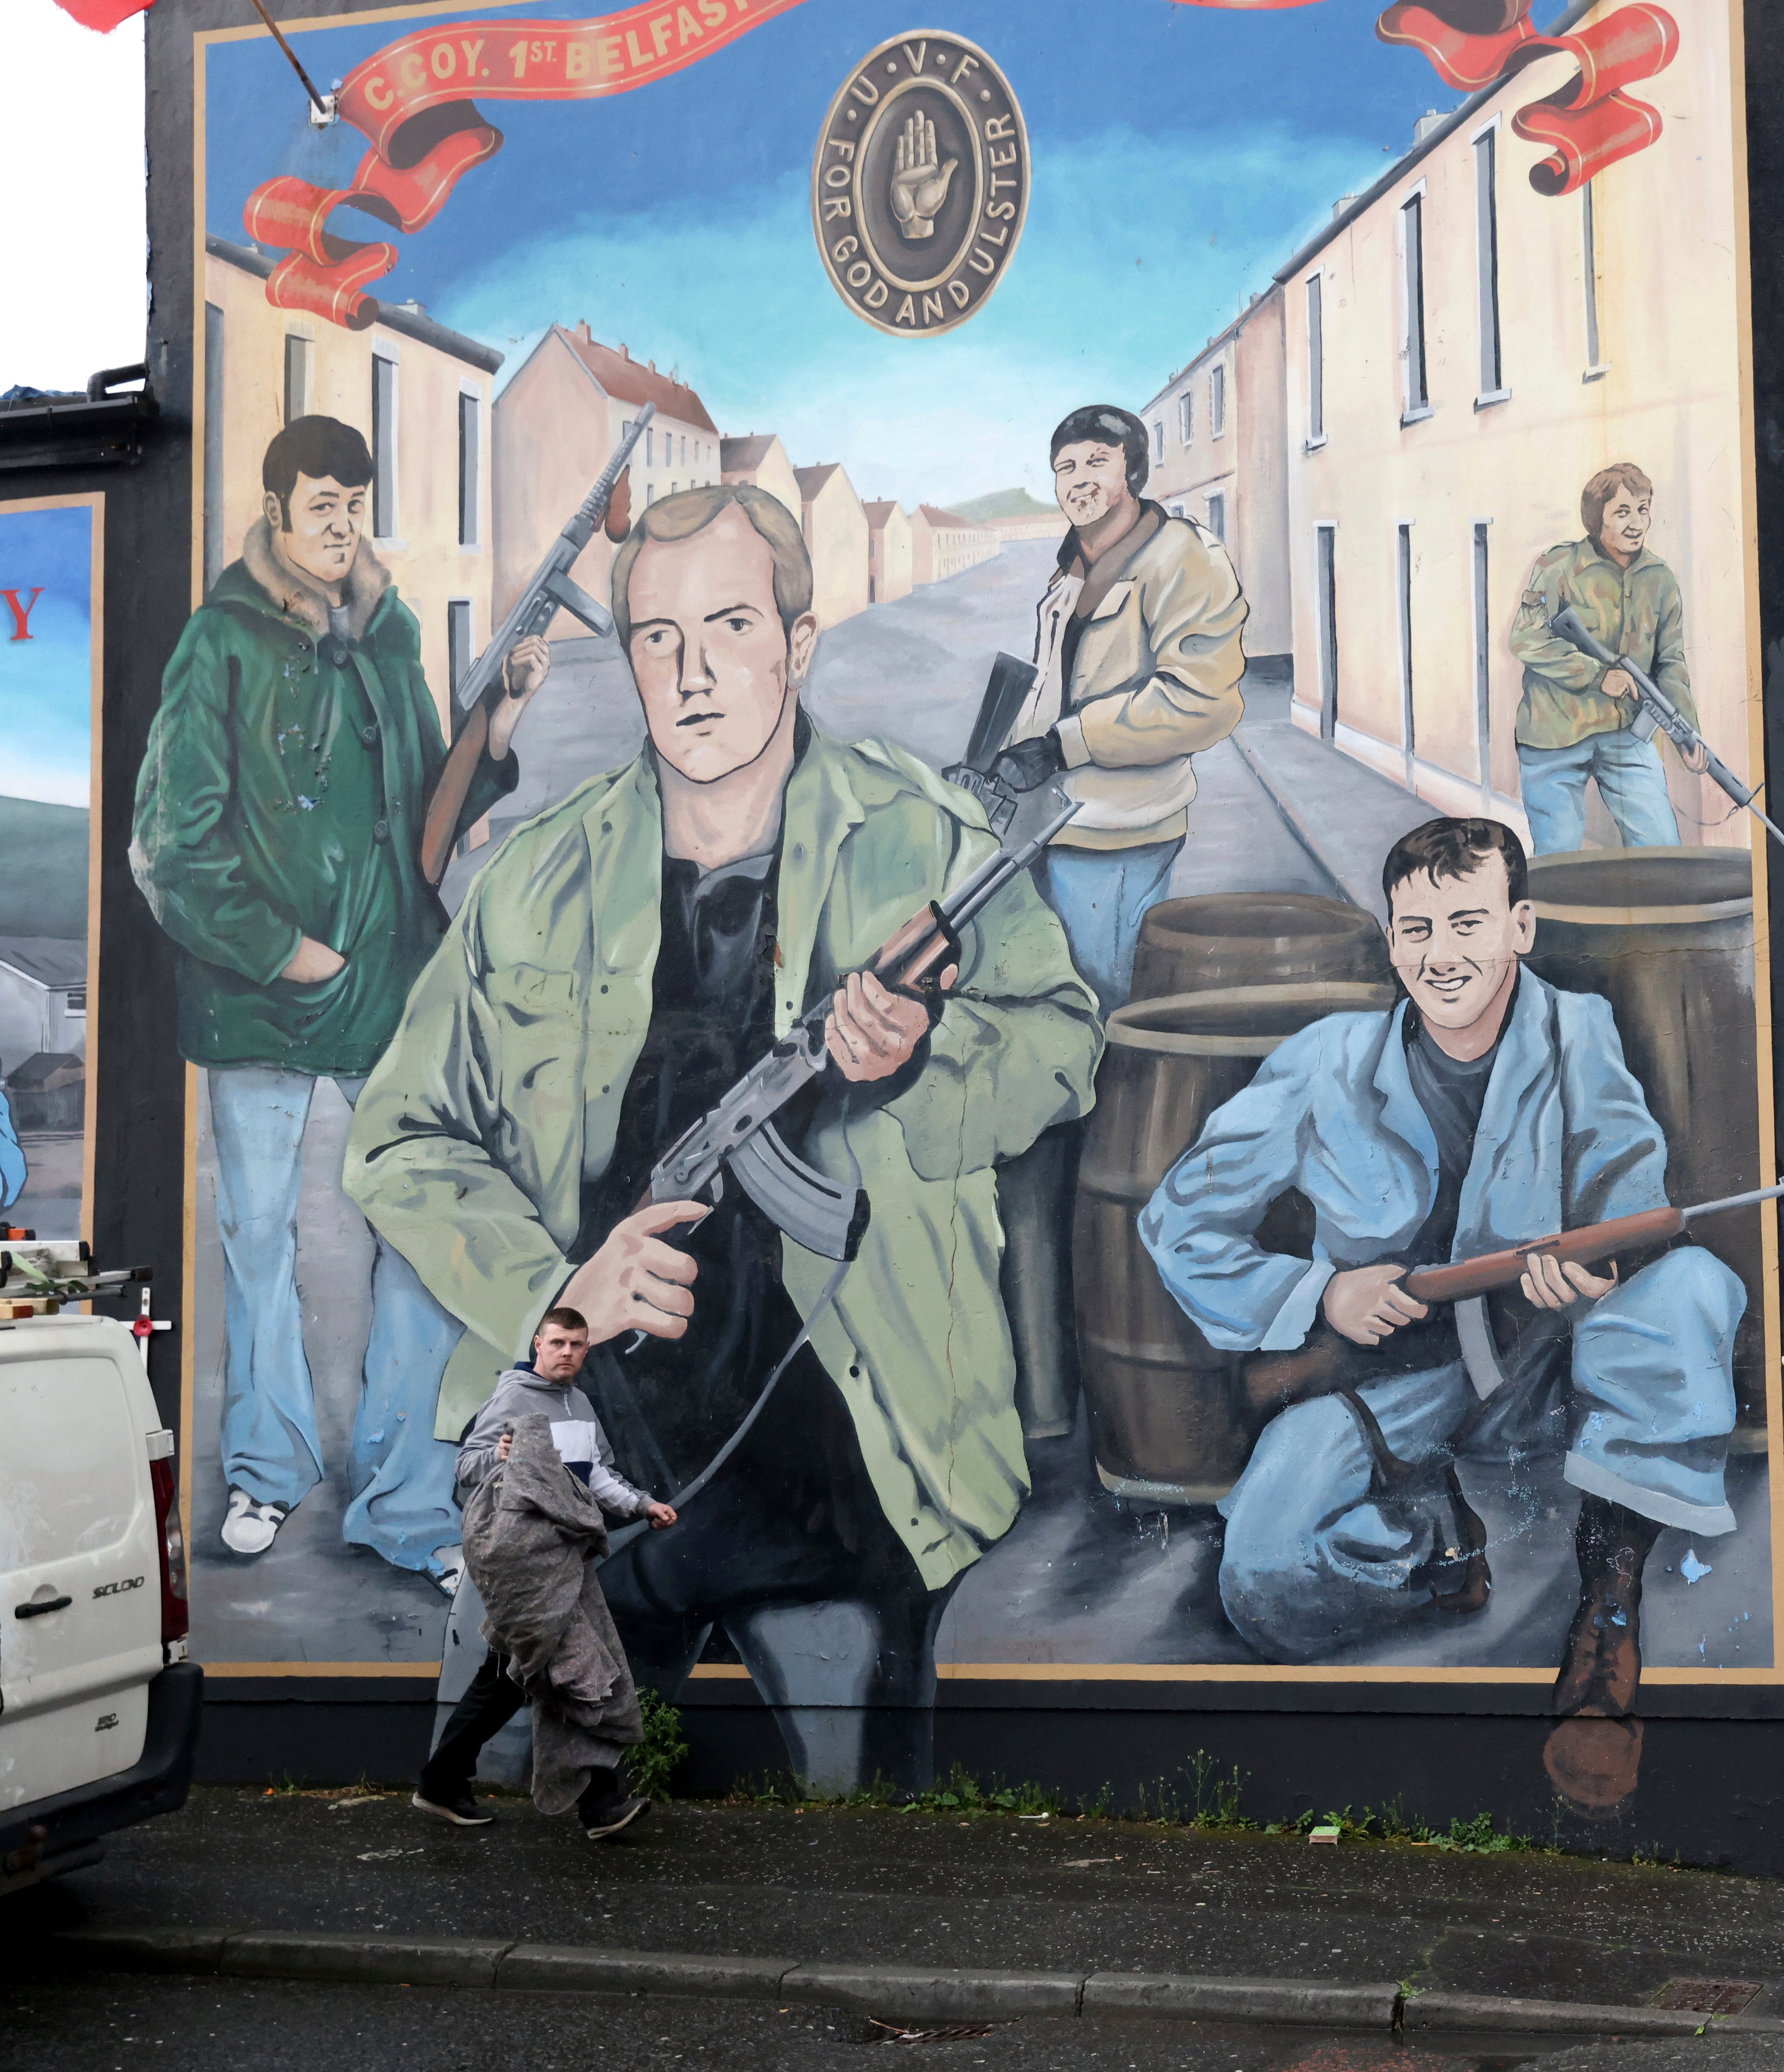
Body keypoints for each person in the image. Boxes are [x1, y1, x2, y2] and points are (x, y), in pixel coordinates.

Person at [345, 483, 1102, 1794]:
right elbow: (399, 1133)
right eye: (655, 637)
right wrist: (554, 1294)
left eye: (731, 624)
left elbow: (1058, 1043)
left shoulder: (920, 834)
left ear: (799, 647)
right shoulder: (538, 878)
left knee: (865, 1860)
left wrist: (918, 1062)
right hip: (584, 1478)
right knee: (517, 1836)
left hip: (856, 1471)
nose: (691, 674)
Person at [1140, 815, 1744, 1811]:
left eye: (1467, 922)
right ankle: (1438, 1551)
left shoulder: (1575, 1030)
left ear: (1520, 926)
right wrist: (1317, 1292)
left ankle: (1608, 1602)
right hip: (1401, 1378)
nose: (1441, 954)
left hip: (1550, 1355)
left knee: (1686, 1290)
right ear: (1389, 939)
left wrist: (1590, 1270)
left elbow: (1628, 1191)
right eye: (1415, 929)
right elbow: (1180, 1218)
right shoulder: (1326, 1060)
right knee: (1262, 1581)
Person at [131, 414, 545, 1588]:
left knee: (414, 1236)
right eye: (319, 504)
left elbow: (427, 822)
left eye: (352, 504)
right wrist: (279, 947)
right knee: (259, 1242)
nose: (339, 524)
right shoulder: (219, 643)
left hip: (387, 988)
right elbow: (169, 843)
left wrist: (496, 733)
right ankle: (267, 1470)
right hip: (262, 999)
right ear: (275, 511)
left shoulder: (386, 632)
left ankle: (407, 1504)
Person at [952, 401, 1250, 1453]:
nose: (1078, 479)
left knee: (1091, 1094)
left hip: (1118, 842)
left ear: (1134, 468)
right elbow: (1046, 692)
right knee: (1042, 1080)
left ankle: (1099, 1354)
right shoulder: (1071, 562)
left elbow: (1205, 701)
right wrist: (1005, 760)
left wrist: (1070, 741)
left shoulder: (1181, 561)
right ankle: (1048, 1370)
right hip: (1044, 836)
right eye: (1063, 463)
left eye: (1095, 462)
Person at [414, 1307, 676, 1836]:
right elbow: (468, 1464)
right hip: (525, 1565)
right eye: (557, 1342)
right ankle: (599, 1803)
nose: (567, 1353)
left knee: (508, 1679)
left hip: (565, 1564)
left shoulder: (578, 1403)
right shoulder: (514, 1396)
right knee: (582, 1672)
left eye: (577, 1344)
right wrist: (501, 1454)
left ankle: (442, 1781)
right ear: (538, 1342)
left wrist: (644, 1505)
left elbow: (600, 1474)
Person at [1507, 462, 1708, 855]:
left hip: (1626, 734)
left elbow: (1670, 664)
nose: (1636, 523)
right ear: (1597, 517)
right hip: (1554, 734)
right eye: (1623, 512)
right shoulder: (1558, 566)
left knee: (1662, 851)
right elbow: (1527, 639)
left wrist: (1687, 733)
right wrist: (1598, 676)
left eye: (1644, 510)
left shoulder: (1660, 579)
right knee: (1557, 861)